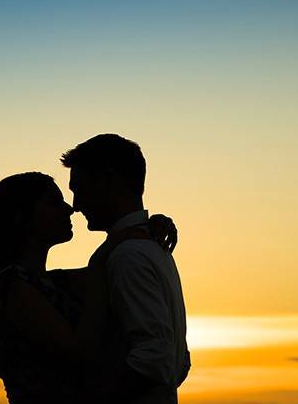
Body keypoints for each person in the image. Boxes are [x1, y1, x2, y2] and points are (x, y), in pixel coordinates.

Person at [0, 171, 177, 403]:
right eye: (53, 201)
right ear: (20, 217)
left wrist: (149, 225)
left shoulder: (51, 283)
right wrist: (99, 260)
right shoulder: (13, 288)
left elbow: (108, 277)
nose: (69, 209)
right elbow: (82, 352)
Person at [62, 133, 190, 403]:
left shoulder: (127, 256)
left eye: (79, 189)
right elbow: (178, 362)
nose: (75, 205)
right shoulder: (153, 249)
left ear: (108, 181)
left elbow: (155, 358)